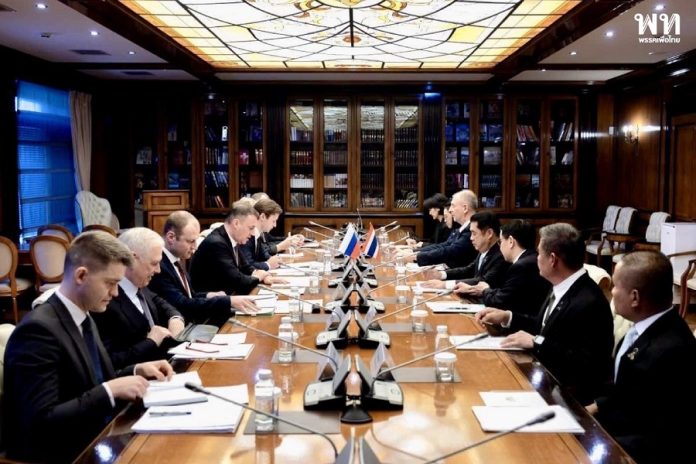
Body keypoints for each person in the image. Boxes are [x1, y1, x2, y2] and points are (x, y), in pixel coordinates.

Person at [3, 231, 173, 463]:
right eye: (110, 283)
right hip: (61, 453)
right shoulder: (37, 331)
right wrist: (110, 390)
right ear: (81, 275)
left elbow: (91, 381)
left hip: (95, 435)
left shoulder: (84, 315)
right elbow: (41, 420)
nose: (115, 293)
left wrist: (135, 370)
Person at [476, 223, 614, 405]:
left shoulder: (589, 301)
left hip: (566, 395)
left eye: (539, 253)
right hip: (543, 378)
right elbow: (544, 327)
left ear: (553, 260)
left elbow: (586, 362)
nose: (536, 258)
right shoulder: (561, 284)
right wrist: (507, 317)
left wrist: (536, 342)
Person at [587, 251, 696, 463]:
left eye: (616, 286)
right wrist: (593, 407)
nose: (612, 291)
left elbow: (659, 433)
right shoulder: (645, 326)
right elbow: (625, 391)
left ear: (635, 297)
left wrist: (594, 442)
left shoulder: (669, 352)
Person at [92, 227, 185, 369]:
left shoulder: (140, 284)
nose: (158, 270)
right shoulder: (104, 301)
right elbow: (110, 363)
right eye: (154, 263)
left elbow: (159, 302)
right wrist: (151, 341)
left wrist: (175, 318)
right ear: (132, 259)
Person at [148, 211, 260, 326]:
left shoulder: (175, 260)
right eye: (191, 241)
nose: (195, 247)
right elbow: (181, 304)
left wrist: (208, 295)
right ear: (171, 237)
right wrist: (228, 301)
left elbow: (189, 295)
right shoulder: (159, 267)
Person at [190, 201, 284, 295]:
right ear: (236, 224)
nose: (253, 234)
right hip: (213, 300)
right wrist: (258, 277)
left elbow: (246, 267)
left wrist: (262, 275)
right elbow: (236, 280)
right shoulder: (217, 244)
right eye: (251, 228)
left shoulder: (232, 238)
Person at [467, 219, 550, 316]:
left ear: (511, 241)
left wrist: (484, 290)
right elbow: (506, 292)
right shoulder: (531, 258)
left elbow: (500, 301)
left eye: (500, 241)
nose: (500, 247)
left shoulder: (521, 266)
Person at [421, 211, 508, 292]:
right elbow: (468, 270)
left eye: (474, 233)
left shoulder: (501, 255)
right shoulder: (485, 249)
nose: (471, 238)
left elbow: (482, 281)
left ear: (489, 233)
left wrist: (445, 285)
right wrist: (441, 274)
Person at [403, 189, 478, 269]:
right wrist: (414, 253)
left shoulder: (471, 230)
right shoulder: (461, 229)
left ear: (465, 208)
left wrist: (416, 256)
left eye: (453, 205)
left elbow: (449, 251)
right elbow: (443, 245)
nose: (450, 210)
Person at [239, 198, 284, 270]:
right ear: (262, 217)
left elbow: (264, 256)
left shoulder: (258, 233)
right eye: (273, 221)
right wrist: (268, 264)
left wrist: (276, 260)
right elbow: (247, 265)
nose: (275, 225)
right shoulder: (246, 234)